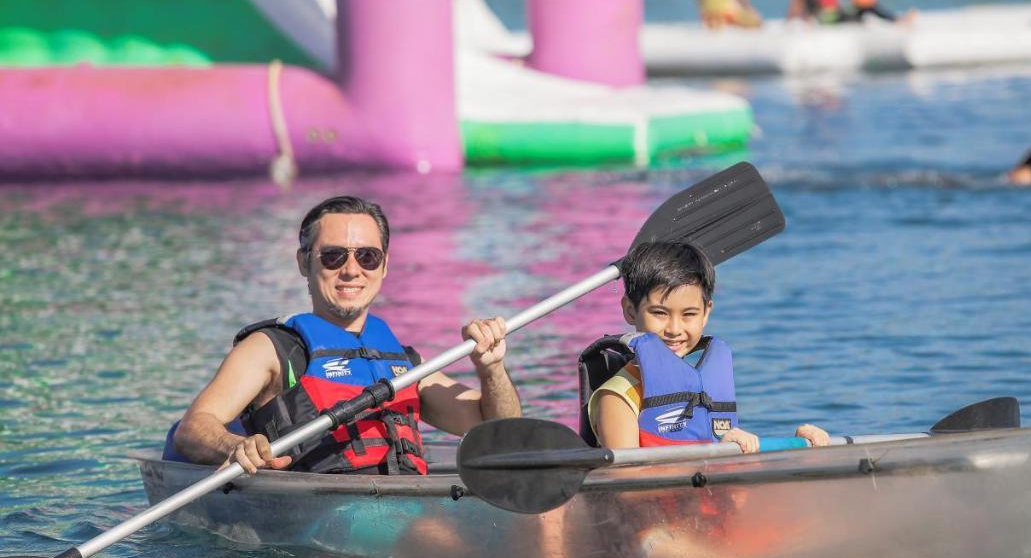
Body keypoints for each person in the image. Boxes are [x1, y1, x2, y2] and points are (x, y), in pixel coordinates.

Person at [170, 195, 522, 475]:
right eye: (333, 256)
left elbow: (503, 436)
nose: (351, 270)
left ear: (384, 266)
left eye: (367, 256)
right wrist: (235, 446)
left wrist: (491, 369)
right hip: (324, 523)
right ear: (303, 263)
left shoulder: (408, 365)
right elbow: (194, 428)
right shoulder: (270, 351)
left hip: (406, 513)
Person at [578, 240, 828, 452]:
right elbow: (628, 488)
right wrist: (720, 456)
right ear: (630, 310)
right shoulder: (618, 398)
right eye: (659, 313)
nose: (674, 329)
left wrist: (799, 447)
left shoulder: (704, 385)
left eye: (689, 314)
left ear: (706, 313)